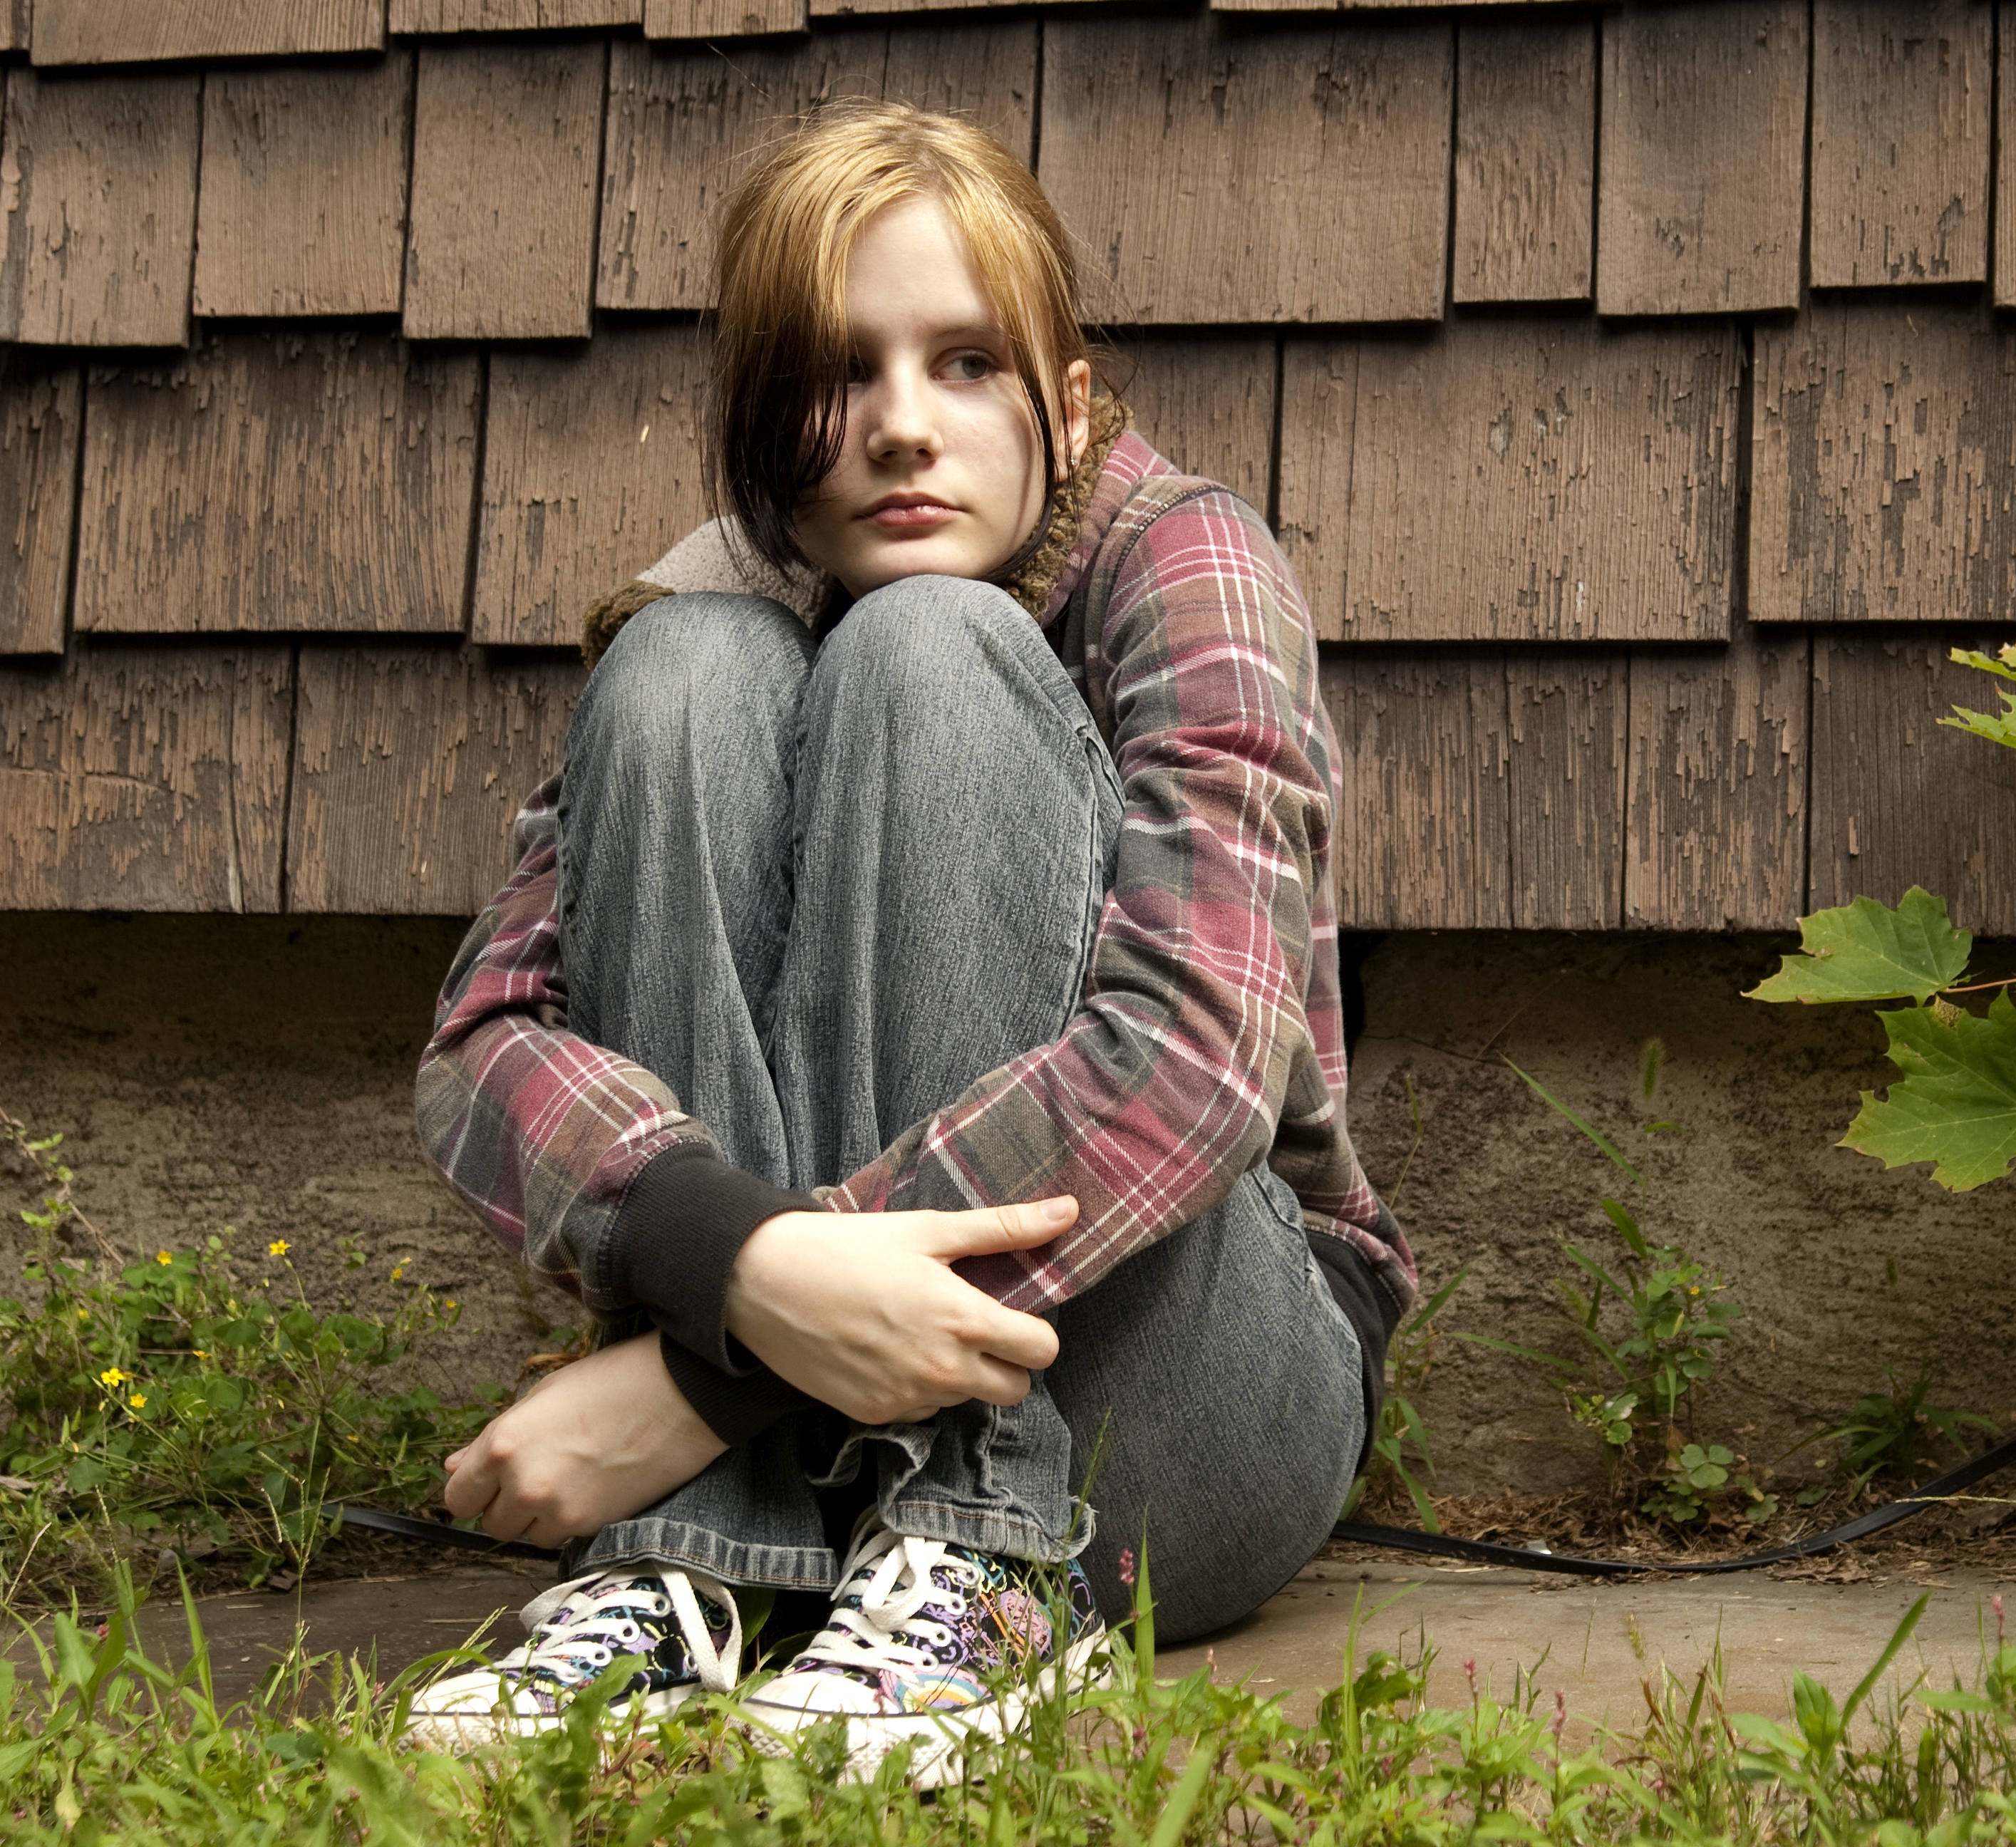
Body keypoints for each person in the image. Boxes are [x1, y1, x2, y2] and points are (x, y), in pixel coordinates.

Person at [403, 101, 1412, 1780]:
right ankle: (707, 1576)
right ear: (757, 423)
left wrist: (714, 1375)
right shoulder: (712, 598)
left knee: (927, 650)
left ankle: (966, 1563)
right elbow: (483, 1043)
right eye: (839, 372)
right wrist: (737, 1265)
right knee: (684, 677)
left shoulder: (1188, 565)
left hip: (1201, 1383)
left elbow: (1196, 1056)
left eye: (963, 364)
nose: (900, 428)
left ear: (1065, 405)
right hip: (825, 1379)